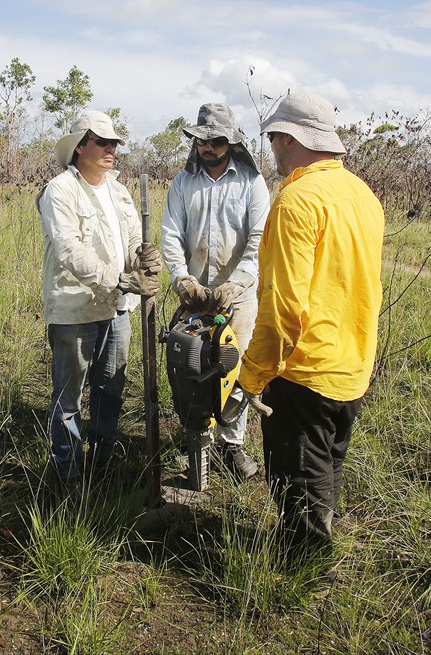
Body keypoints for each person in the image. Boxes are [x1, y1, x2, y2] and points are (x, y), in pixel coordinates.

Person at [239, 92, 384, 552]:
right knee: (326, 473)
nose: (272, 149)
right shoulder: (363, 195)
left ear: (287, 138)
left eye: (272, 139)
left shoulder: (297, 201)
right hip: (353, 367)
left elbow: (283, 309)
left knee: (300, 489)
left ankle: (302, 579)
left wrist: (252, 376)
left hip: (306, 375)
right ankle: (310, 548)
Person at [37, 109, 161, 481]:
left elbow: (130, 240)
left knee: (110, 390)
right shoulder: (59, 191)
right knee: (68, 400)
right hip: (76, 309)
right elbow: (69, 251)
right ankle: (68, 473)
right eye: (102, 142)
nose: (111, 149)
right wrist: (120, 280)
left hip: (118, 309)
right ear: (79, 147)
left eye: (114, 143)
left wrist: (143, 254)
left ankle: (103, 461)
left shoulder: (120, 191)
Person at [160, 102, 270, 481]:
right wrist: (181, 278)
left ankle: (232, 445)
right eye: (203, 141)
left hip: (237, 298)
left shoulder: (251, 183)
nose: (210, 149)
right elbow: (171, 234)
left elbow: (259, 241)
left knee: (233, 370)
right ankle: (199, 446)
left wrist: (235, 282)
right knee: (193, 369)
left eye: (218, 141)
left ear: (231, 142)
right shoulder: (182, 183)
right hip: (193, 298)